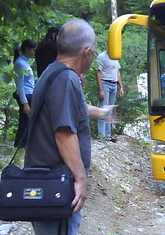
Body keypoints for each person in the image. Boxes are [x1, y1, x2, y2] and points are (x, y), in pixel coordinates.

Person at [24, 19, 114, 235]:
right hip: (55, 182)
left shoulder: (52, 72)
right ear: (87, 52)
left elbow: (72, 107)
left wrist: (102, 113)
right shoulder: (66, 80)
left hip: (46, 178)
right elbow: (64, 133)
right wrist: (81, 178)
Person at [95, 47, 125, 142]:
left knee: (110, 109)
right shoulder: (101, 57)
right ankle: (101, 135)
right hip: (105, 83)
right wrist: (101, 89)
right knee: (103, 109)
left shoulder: (115, 57)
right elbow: (98, 72)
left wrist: (121, 87)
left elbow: (117, 72)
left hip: (114, 84)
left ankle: (108, 134)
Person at [13, 39, 37, 147]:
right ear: (27, 49)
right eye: (32, 50)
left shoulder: (24, 62)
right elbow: (19, 84)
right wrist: (24, 102)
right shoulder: (20, 64)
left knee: (26, 120)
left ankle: (23, 143)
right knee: (25, 121)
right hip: (26, 95)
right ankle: (20, 143)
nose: (33, 53)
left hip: (29, 93)